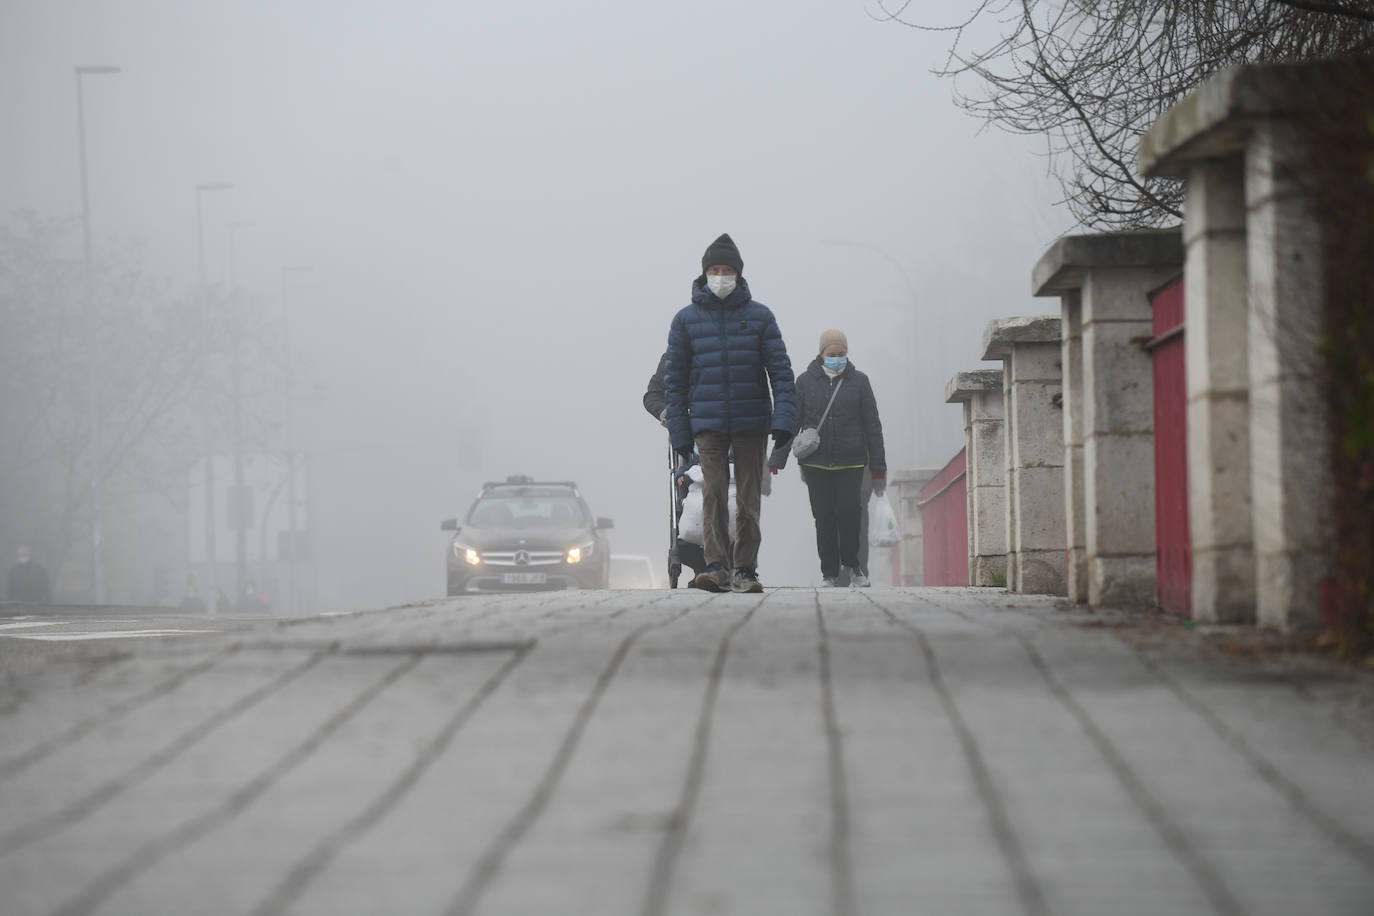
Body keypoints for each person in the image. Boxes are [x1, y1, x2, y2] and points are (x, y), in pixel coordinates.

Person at [665, 233, 795, 593]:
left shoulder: (760, 317)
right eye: (714, 270)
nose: (720, 276)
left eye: (727, 270)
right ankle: (716, 565)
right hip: (707, 424)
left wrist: (784, 420)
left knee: (749, 500)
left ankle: (745, 568)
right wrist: (679, 432)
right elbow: (674, 382)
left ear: (738, 275)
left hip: (751, 422)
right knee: (713, 494)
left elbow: (781, 373)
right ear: (704, 274)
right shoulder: (685, 321)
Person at [768, 329, 886, 587]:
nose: (837, 358)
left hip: (851, 460)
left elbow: (873, 426)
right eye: (832, 354)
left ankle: (853, 566)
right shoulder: (805, 382)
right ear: (821, 354)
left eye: (841, 354)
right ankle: (829, 573)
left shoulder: (860, 382)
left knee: (849, 513)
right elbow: (792, 421)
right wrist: (778, 458)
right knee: (823, 516)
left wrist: (878, 467)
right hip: (816, 463)